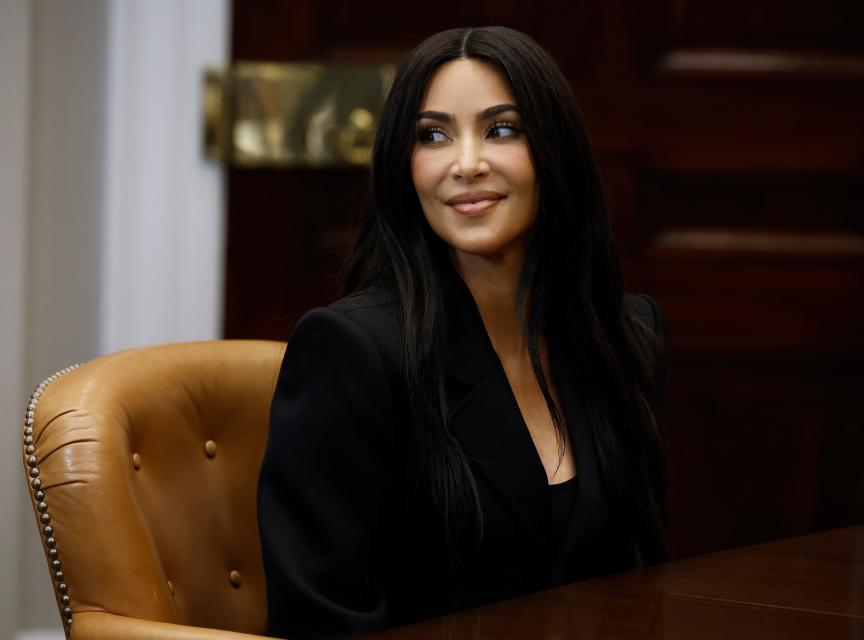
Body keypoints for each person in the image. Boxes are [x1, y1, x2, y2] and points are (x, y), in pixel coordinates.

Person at [257, 26, 668, 638]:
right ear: (405, 164)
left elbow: (642, 582)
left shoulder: (624, 333)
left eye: (502, 129)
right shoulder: (352, 351)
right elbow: (320, 620)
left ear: (555, 153)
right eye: (433, 135)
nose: (467, 163)